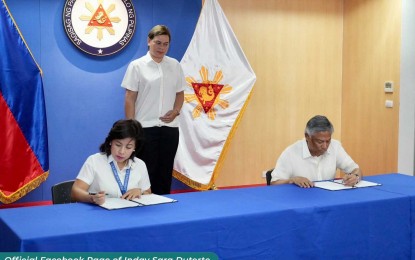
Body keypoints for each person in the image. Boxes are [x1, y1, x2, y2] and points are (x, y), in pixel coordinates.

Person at [121, 25, 185, 195]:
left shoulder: (175, 65)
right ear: (149, 41)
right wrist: (132, 127)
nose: (161, 48)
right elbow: (130, 98)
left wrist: (176, 110)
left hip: (170, 129)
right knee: (144, 173)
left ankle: (163, 211)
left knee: (165, 172)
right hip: (144, 128)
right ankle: (142, 210)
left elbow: (180, 94)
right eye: (158, 43)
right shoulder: (137, 66)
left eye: (166, 44)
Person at [71, 119, 151, 205]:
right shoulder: (94, 161)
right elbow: (75, 192)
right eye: (118, 145)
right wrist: (92, 198)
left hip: (129, 214)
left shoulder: (140, 165)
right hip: (100, 213)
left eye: (128, 147)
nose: (122, 151)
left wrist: (139, 191)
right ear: (110, 142)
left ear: (135, 147)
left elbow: (148, 193)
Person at [270, 115, 362, 188]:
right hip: (299, 202)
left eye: (328, 141)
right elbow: (274, 183)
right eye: (320, 142)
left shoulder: (335, 146)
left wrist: (355, 177)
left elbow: (356, 169)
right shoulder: (290, 153)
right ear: (307, 136)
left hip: (327, 200)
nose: (325, 146)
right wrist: (292, 180)